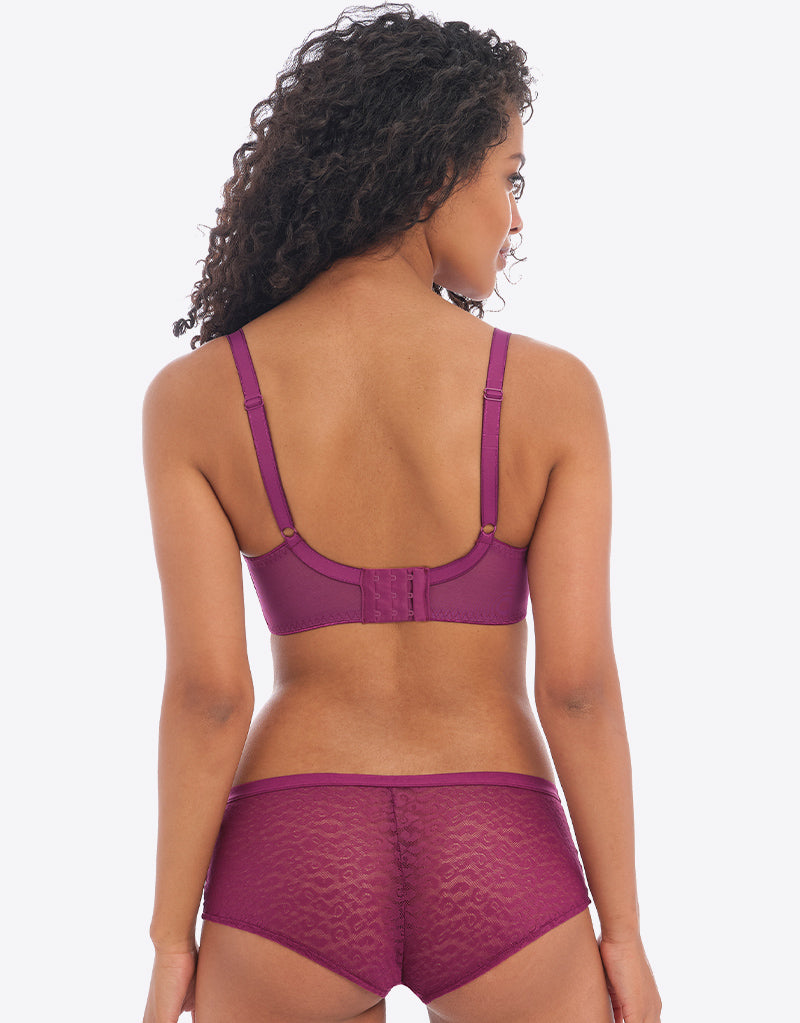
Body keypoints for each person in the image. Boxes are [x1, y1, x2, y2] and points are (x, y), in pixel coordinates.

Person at [141, 5, 662, 1021]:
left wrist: (170, 940)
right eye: (509, 178)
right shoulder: (552, 394)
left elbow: (208, 695)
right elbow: (576, 689)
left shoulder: (195, 399)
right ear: (434, 172)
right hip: (498, 843)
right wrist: (624, 935)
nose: (516, 218)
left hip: (292, 851)